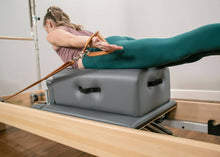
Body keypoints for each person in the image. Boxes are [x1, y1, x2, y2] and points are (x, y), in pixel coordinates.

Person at [43, 6, 220, 69]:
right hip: (112, 43)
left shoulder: (54, 33)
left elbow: (70, 41)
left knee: (174, 48)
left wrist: (92, 42)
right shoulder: (75, 28)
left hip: (96, 54)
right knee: (177, 55)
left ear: (49, 24)